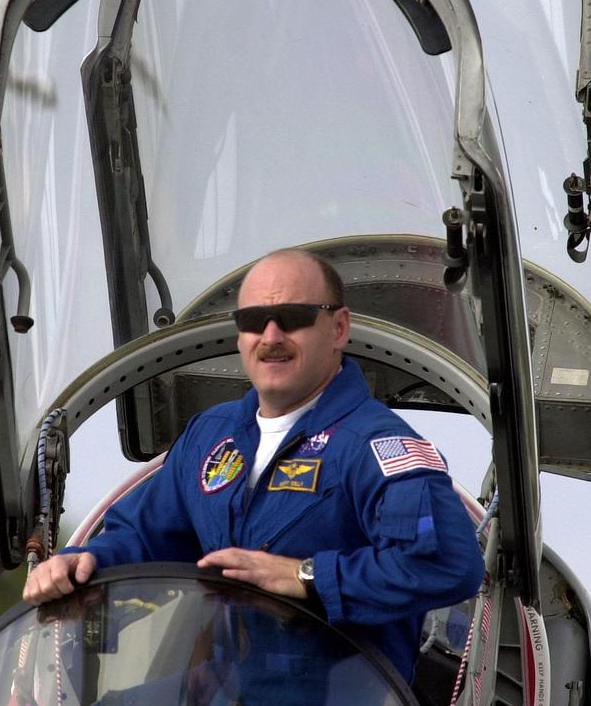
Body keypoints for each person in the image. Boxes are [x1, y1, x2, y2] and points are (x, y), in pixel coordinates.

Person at [24, 248, 484, 682]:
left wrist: (305, 576)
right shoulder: (211, 435)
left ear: (339, 328)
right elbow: (144, 537)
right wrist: (80, 563)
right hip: (223, 690)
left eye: (293, 319)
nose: (270, 338)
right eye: (253, 321)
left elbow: (448, 563)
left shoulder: (377, 447)